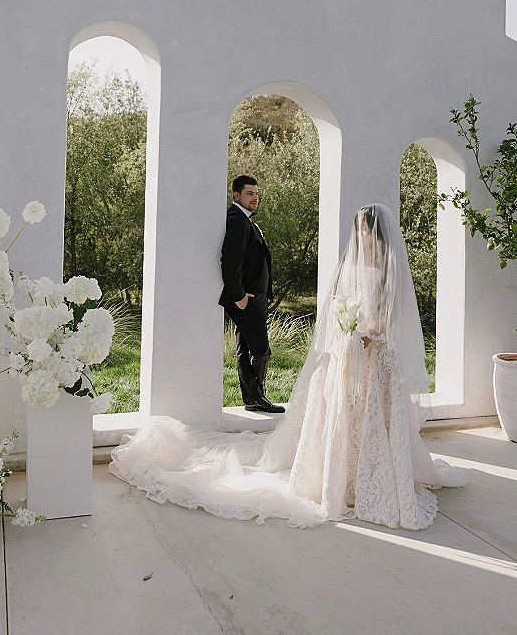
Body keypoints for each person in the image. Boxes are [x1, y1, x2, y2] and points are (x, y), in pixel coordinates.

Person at [111, 204, 465, 530]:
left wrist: (370, 334)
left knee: (372, 416)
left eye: (363, 230)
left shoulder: (389, 265)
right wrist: (346, 332)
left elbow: (391, 313)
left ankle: (371, 475)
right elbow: (336, 304)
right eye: (357, 229)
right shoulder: (347, 261)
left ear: (376, 232)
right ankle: (334, 476)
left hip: (374, 351)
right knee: (339, 414)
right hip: (346, 350)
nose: (359, 236)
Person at [218, 175, 284, 413]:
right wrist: (239, 296)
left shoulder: (246, 221)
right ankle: (257, 397)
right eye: (249, 194)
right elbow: (230, 261)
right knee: (261, 350)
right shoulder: (237, 221)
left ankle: (252, 399)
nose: (255, 198)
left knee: (245, 350)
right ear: (236, 196)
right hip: (246, 300)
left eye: (256, 194)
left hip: (254, 299)